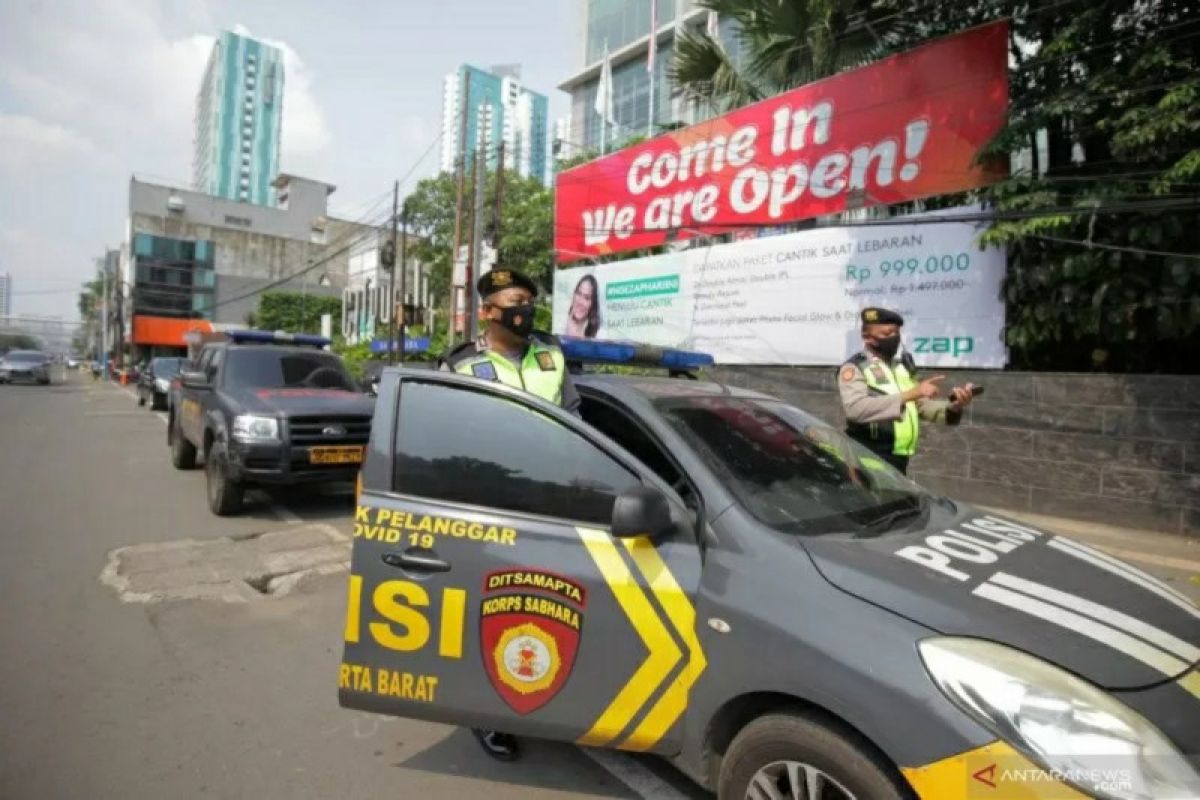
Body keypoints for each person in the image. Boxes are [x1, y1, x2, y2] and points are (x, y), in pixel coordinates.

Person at [439, 266, 579, 762]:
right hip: (489, 508)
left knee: (538, 611)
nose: (525, 310)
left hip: (551, 508)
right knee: (486, 614)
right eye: (515, 300)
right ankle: (484, 715)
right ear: (488, 311)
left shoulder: (551, 356)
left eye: (529, 301)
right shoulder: (459, 366)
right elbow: (444, 444)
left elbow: (576, 426)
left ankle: (536, 699)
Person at [838, 307, 976, 474]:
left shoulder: (900, 368)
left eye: (896, 333)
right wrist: (913, 393)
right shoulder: (855, 367)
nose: (894, 338)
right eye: (887, 334)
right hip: (867, 458)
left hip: (898, 460)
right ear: (867, 338)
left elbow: (920, 406)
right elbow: (855, 409)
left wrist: (954, 405)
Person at [562, 273, 601, 338]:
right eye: (579, 294)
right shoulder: (560, 325)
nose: (580, 302)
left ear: (592, 304)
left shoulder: (598, 335)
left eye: (587, 298)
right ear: (574, 295)